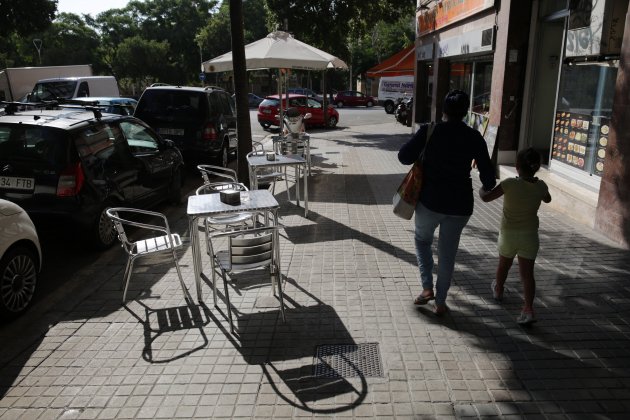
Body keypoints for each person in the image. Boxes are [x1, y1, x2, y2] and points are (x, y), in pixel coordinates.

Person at [398, 90, 496, 315]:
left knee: (422, 241)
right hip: (460, 204)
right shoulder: (473, 137)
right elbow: (489, 177)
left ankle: (426, 289)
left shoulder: (430, 130)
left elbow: (403, 157)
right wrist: (485, 188)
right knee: (448, 252)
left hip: (430, 201)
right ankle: (441, 302)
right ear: (465, 113)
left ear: (443, 110)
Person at [479, 148, 551, 325]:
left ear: (517, 166)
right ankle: (528, 309)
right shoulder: (541, 185)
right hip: (530, 237)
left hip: (508, 235)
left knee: (504, 265)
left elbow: (486, 198)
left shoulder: (510, 183)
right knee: (527, 275)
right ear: (537, 168)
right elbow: (547, 199)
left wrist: (482, 189)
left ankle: (498, 290)